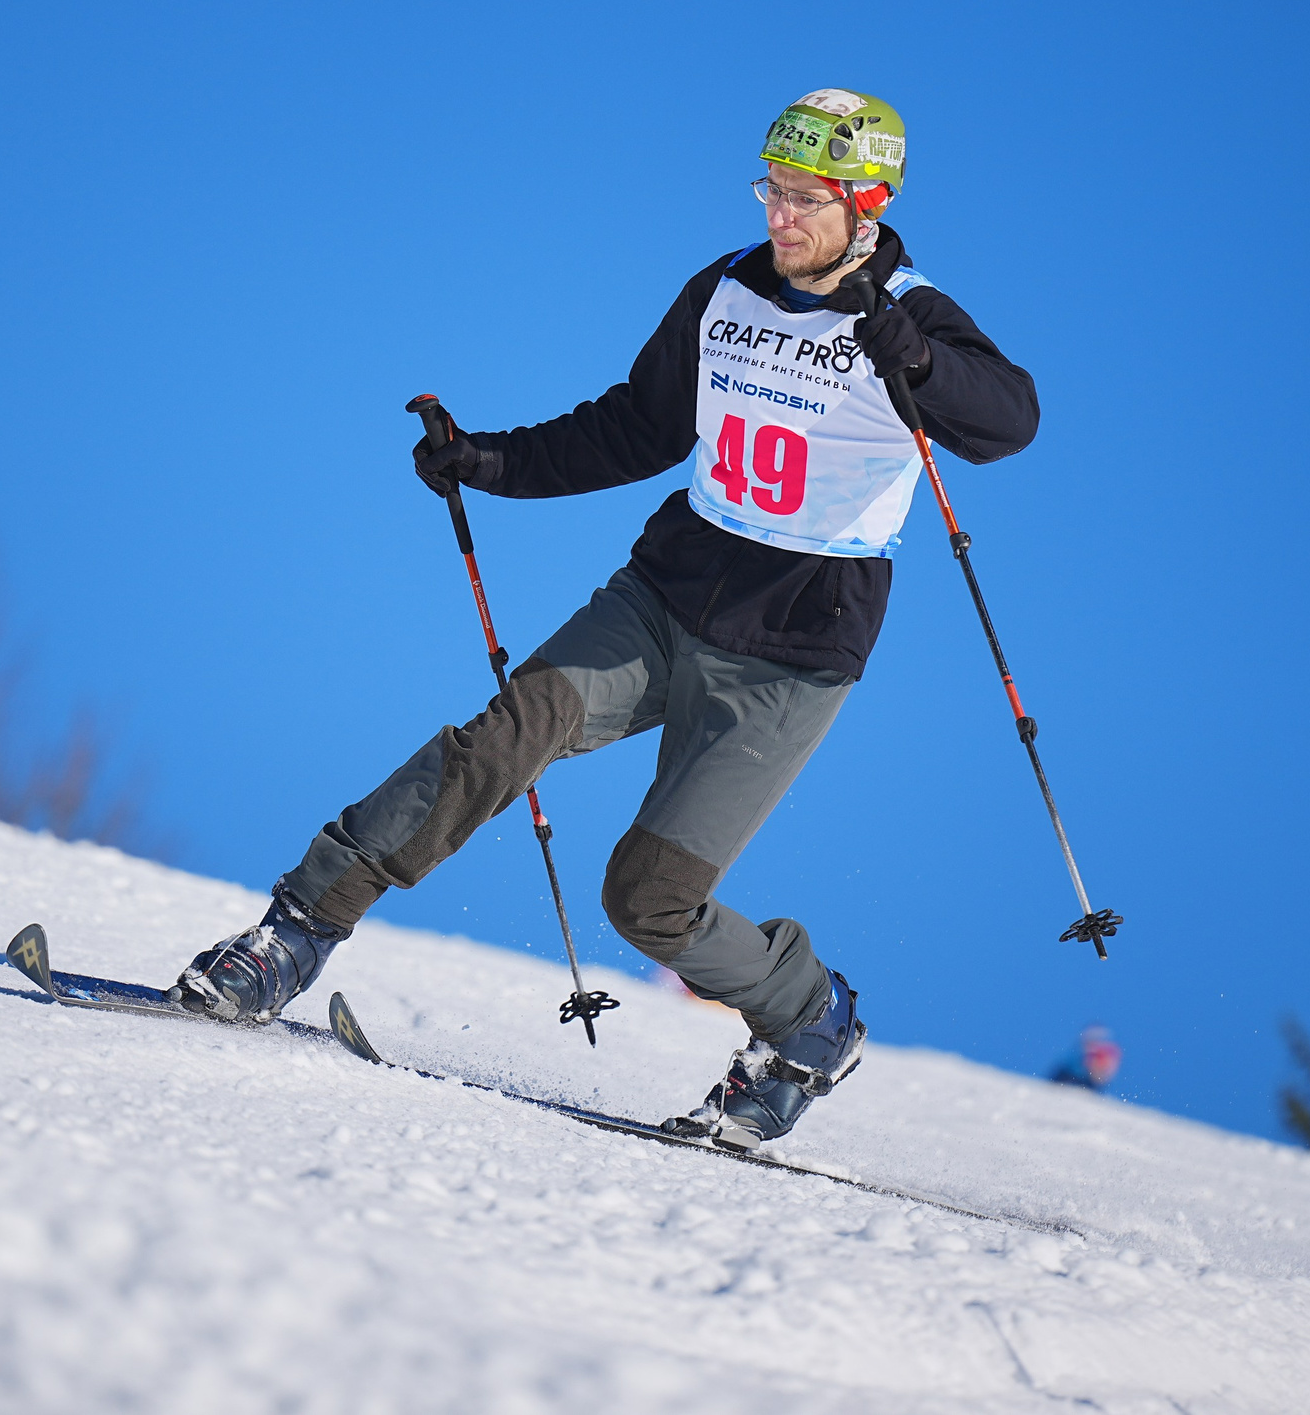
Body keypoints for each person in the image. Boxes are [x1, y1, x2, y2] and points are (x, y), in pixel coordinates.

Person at [168, 89, 1041, 1149]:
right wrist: (487, 461)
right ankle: (293, 935)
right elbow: (637, 427)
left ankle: (807, 1020)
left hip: (793, 653)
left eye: (805, 199)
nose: (779, 216)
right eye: (771, 190)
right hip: (663, 597)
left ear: (867, 202)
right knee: (504, 737)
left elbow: (1008, 421)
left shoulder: (910, 308)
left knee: (649, 901)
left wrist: (913, 356)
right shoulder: (723, 289)